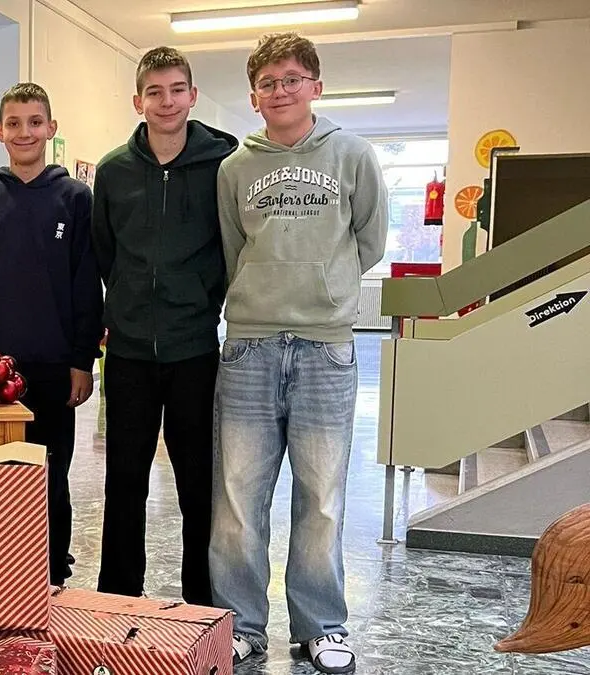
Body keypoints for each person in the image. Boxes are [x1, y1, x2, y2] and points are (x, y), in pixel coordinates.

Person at [209, 33, 387, 674]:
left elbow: (370, 240)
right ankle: (241, 626)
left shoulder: (353, 155)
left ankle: (322, 627)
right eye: (267, 83)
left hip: (325, 350)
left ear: (316, 85)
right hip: (249, 348)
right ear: (254, 96)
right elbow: (234, 248)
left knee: (322, 498)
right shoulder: (235, 168)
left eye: (291, 79)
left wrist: (325, 289)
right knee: (237, 498)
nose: (280, 91)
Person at [90, 47, 237, 607]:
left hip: (194, 349)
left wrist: (202, 299)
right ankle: (118, 597)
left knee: (198, 483)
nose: (167, 101)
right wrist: (127, 305)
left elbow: (230, 246)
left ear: (193, 95)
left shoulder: (224, 163)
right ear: (138, 101)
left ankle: (203, 601)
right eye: (155, 92)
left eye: (177, 90)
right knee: (124, 481)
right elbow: (105, 253)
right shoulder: (113, 171)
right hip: (128, 353)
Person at [0, 83, 103, 586]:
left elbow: (86, 284)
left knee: (50, 475)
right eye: (14, 123)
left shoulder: (76, 198)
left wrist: (82, 359)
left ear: (51, 129)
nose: (24, 132)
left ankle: (52, 571)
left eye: (35, 122)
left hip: (53, 367)